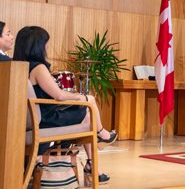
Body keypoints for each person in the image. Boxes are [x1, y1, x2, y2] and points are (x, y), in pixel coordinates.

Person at [13, 26, 116, 183]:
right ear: (38, 45)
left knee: (87, 112)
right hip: (46, 119)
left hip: (35, 119)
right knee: (88, 108)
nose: (47, 47)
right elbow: (59, 95)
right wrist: (78, 97)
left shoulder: (19, 67)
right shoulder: (38, 68)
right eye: (46, 43)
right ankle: (101, 137)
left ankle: (93, 160)